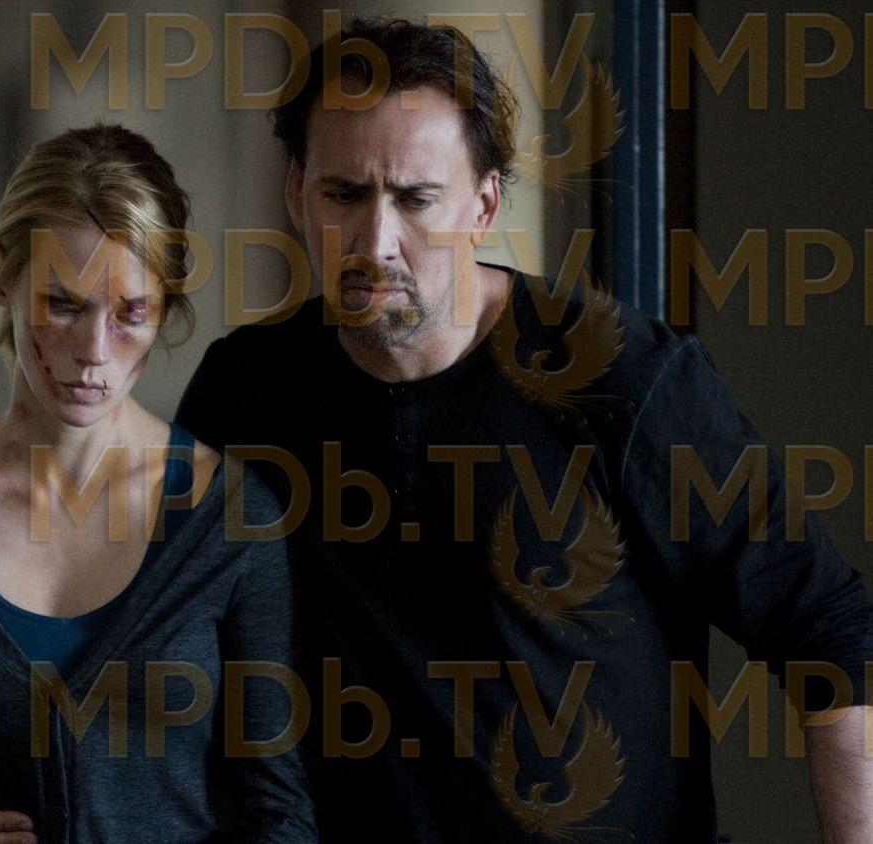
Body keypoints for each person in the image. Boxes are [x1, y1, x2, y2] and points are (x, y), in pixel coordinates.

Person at [176, 17, 873, 842]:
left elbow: (830, 631)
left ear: (483, 205)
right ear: (297, 195)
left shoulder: (622, 378)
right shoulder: (245, 394)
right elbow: (158, 653)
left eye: (416, 199)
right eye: (344, 194)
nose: (376, 241)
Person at [0, 125, 316, 843]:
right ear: (0, 272)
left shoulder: (232, 519)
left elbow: (279, 815)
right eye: (62, 304)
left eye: (131, 315)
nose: (93, 352)